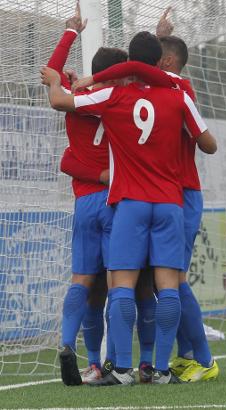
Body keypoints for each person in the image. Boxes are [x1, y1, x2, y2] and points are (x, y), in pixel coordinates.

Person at [41, 31, 217, 385]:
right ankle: (161, 368)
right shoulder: (179, 95)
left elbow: (61, 102)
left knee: (120, 285)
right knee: (165, 285)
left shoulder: (113, 95)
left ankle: (119, 368)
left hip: (129, 202)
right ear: (160, 62)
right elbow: (209, 145)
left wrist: (59, 79)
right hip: (171, 202)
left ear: (128, 66)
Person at [45, 4, 126, 386]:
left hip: (86, 201)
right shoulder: (121, 102)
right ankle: (118, 364)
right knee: (119, 285)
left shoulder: (79, 99)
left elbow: (50, 76)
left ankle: (74, 349)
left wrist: (70, 32)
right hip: (118, 199)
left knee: (82, 281)